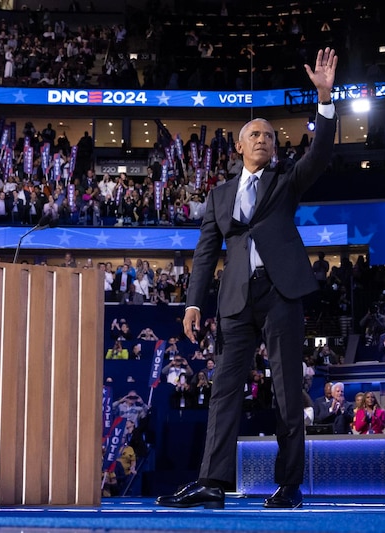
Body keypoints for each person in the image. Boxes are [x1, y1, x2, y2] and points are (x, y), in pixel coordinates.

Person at [156, 47, 338, 511]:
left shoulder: (285, 182)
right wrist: (193, 303)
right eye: (255, 134)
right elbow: (204, 254)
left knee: (285, 393)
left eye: (270, 135)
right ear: (238, 146)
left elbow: (318, 155)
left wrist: (324, 98)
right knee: (223, 393)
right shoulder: (218, 195)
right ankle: (212, 484)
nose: (263, 138)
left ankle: (289, 485)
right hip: (235, 299)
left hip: (281, 294)